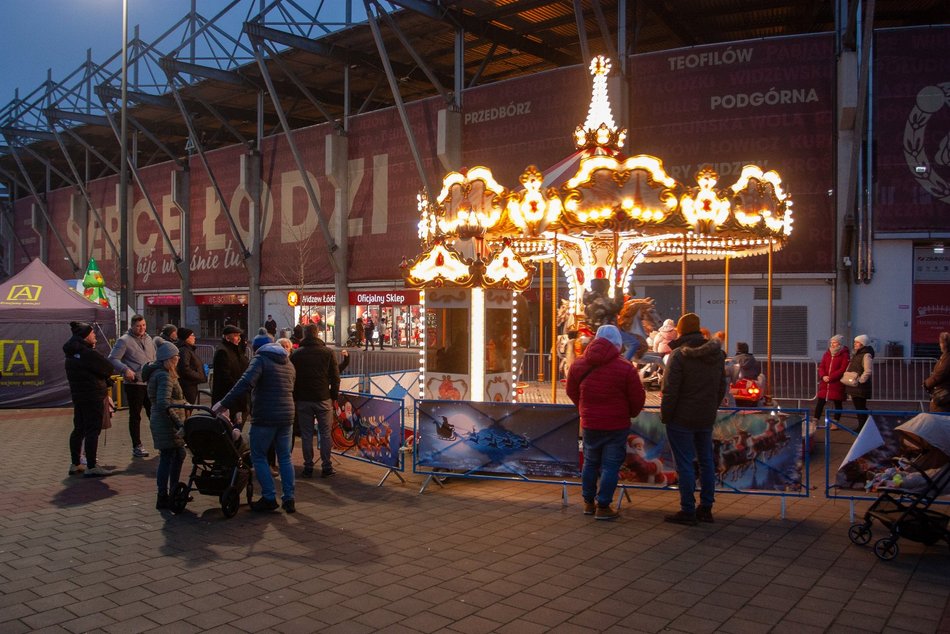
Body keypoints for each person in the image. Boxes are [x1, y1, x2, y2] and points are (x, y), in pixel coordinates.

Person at [566, 324, 646, 521]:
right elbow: (637, 398)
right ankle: (603, 506)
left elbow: (571, 390)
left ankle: (588, 503)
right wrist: (631, 413)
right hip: (616, 424)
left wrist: (583, 408)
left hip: (590, 423)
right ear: (617, 343)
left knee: (590, 462)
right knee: (611, 465)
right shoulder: (625, 367)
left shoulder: (579, 364)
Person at [212, 334, 297, 513]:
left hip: (265, 415)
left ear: (257, 348)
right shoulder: (288, 363)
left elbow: (245, 383)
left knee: (258, 455)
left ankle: (269, 497)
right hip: (287, 415)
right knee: (285, 457)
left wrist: (224, 403)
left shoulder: (261, 360)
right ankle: (289, 498)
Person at [660, 312, 727, 526]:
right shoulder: (717, 355)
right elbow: (721, 387)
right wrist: (711, 407)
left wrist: (666, 415)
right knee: (706, 461)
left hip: (681, 417)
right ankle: (706, 507)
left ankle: (687, 509)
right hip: (705, 416)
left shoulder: (679, 355)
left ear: (681, 331)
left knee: (685, 463)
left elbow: (670, 390)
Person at [64, 321, 116, 477]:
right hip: (94, 395)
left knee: (79, 428)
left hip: (79, 396)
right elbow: (108, 368)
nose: (95, 335)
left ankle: (75, 463)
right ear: (85, 336)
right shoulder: (87, 353)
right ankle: (92, 466)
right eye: (92, 333)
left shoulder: (72, 353)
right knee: (93, 430)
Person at [291, 323, 342, 478]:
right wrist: (334, 397)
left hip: (303, 399)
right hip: (323, 398)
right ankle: (327, 466)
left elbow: (292, 378)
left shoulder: (296, 354)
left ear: (304, 335)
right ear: (317, 333)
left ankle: (308, 466)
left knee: (306, 435)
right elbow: (335, 377)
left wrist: (295, 397)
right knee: (325, 433)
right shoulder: (328, 352)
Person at [144, 342, 186, 510]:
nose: (178, 359)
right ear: (169, 359)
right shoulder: (165, 376)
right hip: (167, 423)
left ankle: (168, 493)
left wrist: (183, 403)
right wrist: (178, 423)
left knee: (173, 455)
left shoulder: (159, 373)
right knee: (171, 455)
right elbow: (164, 403)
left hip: (163, 421)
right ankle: (166, 494)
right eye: (176, 357)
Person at [109, 314, 156, 458]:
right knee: (135, 415)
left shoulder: (149, 339)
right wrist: (125, 370)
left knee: (154, 414)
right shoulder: (124, 340)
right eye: (138, 326)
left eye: (143, 325)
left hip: (150, 382)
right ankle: (137, 445)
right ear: (132, 326)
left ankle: (160, 442)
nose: (142, 328)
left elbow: (153, 357)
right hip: (134, 383)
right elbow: (113, 358)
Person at [211, 325, 249, 424]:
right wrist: (238, 387)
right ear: (227, 337)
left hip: (237, 394)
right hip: (227, 395)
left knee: (238, 422)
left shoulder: (236, 350)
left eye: (239, 336)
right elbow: (224, 376)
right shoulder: (223, 352)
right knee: (228, 423)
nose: (239, 338)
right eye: (236, 335)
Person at [814, 335, 850, 426]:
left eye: (834, 342)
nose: (832, 344)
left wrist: (831, 377)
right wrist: (823, 376)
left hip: (836, 383)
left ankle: (835, 422)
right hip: (825, 383)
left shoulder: (844, 355)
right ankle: (815, 420)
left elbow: (843, 369)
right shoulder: (827, 354)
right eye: (831, 342)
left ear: (839, 343)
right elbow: (822, 366)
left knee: (837, 402)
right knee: (821, 401)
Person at [845, 334, 874, 430]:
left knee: (861, 406)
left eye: (857, 342)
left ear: (862, 343)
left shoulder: (866, 355)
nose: (855, 344)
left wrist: (861, 380)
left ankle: (863, 426)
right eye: (855, 342)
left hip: (860, 386)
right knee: (858, 406)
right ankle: (863, 425)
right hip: (855, 385)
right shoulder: (857, 354)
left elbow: (868, 370)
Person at [175, 327, 206, 404]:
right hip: (188, 385)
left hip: (191, 384)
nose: (194, 337)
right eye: (192, 335)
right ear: (186, 338)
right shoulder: (184, 350)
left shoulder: (188, 349)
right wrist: (198, 375)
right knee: (188, 406)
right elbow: (184, 368)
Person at [922, 331, 950, 413]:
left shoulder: (947, 358)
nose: (939, 345)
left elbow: (940, 374)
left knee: (938, 415)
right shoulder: (945, 357)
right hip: (944, 393)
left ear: (945, 345)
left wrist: (926, 383)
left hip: (943, 395)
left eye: (941, 343)